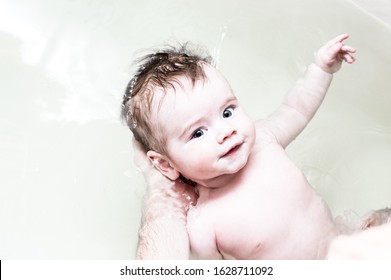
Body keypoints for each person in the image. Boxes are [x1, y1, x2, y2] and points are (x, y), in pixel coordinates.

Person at [122, 34, 357, 259]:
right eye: (198, 132)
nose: (226, 131)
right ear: (165, 164)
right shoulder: (203, 226)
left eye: (227, 112)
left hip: (347, 248)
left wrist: (321, 70)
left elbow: (296, 110)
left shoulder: (264, 140)